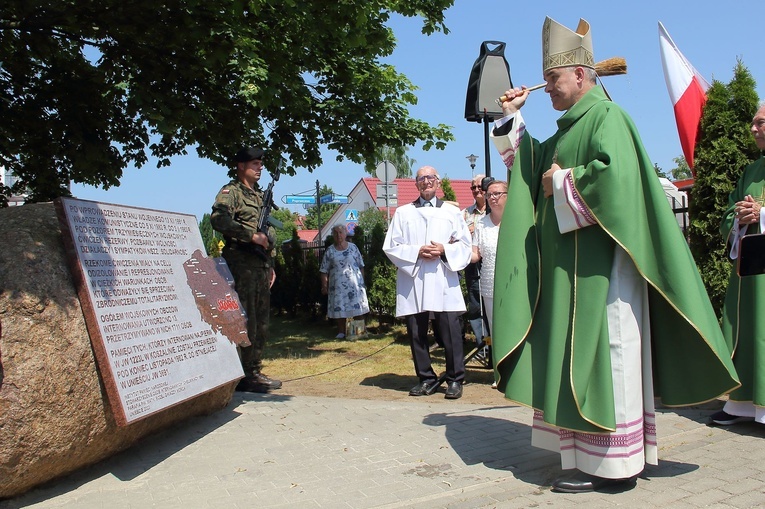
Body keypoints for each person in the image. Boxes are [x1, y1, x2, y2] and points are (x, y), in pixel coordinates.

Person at [490, 16, 739, 493]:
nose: (549, 88)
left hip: (607, 272)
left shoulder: (609, 118)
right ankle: (591, 457)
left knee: (611, 354)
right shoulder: (567, 131)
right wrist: (512, 118)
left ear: (581, 75)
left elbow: (616, 183)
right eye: (544, 80)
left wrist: (561, 182)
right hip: (573, 270)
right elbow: (526, 168)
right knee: (580, 357)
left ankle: (616, 467)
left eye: (553, 80)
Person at [383, 165, 472, 400]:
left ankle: (454, 379)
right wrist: (417, 251)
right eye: (421, 178)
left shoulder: (452, 213)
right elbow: (391, 246)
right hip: (415, 278)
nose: (426, 182)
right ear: (416, 184)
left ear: (438, 182)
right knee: (416, 330)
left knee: (451, 329)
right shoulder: (403, 213)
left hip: (443, 278)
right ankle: (426, 378)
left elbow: (465, 246)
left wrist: (443, 250)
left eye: (430, 177)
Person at [211, 147, 281, 393]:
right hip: (242, 264)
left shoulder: (260, 196)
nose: (259, 167)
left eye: (261, 163)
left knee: (261, 321)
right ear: (241, 165)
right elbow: (218, 220)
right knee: (245, 319)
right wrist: (251, 236)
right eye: (254, 163)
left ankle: (253, 369)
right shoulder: (232, 192)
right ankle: (242, 372)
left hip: (260, 265)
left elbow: (268, 233)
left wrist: (270, 263)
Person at [712, 103, 765, 426]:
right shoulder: (752, 170)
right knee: (748, 332)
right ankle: (743, 405)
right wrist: (741, 217)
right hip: (750, 271)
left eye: (760, 122)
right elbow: (730, 212)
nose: (753, 129)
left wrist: (762, 215)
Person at [470, 180, 507, 341]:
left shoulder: (517, 221)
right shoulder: (481, 224)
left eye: (497, 194)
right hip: (489, 284)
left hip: (514, 283)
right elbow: (474, 254)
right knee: (495, 328)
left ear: (508, 195)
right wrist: (450, 251)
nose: (492, 198)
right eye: (489, 194)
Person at [320, 223, 370, 339]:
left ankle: (359, 332)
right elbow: (323, 270)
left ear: (345, 233)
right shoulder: (330, 251)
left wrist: (361, 282)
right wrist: (324, 285)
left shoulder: (353, 247)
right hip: (337, 286)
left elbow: (361, 265)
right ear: (333, 235)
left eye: (341, 232)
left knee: (357, 308)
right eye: (336, 233)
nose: (339, 235)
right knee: (339, 307)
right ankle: (341, 332)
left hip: (354, 285)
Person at [461, 174, 487, 346]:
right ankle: (482, 344)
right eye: (473, 187)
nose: (476, 190)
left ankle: (497, 344)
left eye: (480, 187)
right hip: (473, 264)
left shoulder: (495, 210)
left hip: (493, 261)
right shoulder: (464, 214)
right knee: (476, 304)